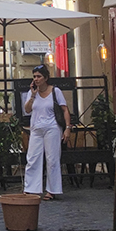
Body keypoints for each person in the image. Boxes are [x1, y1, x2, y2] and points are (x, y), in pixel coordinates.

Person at [23, 64, 72, 200]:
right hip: (36, 129)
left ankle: (52, 190)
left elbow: (65, 110)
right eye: (34, 77)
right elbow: (27, 110)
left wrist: (68, 128)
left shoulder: (56, 91)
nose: (36, 79)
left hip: (52, 128)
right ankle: (31, 188)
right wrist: (32, 96)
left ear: (46, 78)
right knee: (32, 158)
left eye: (39, 76)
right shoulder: (32, 92)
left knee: (52, 159)